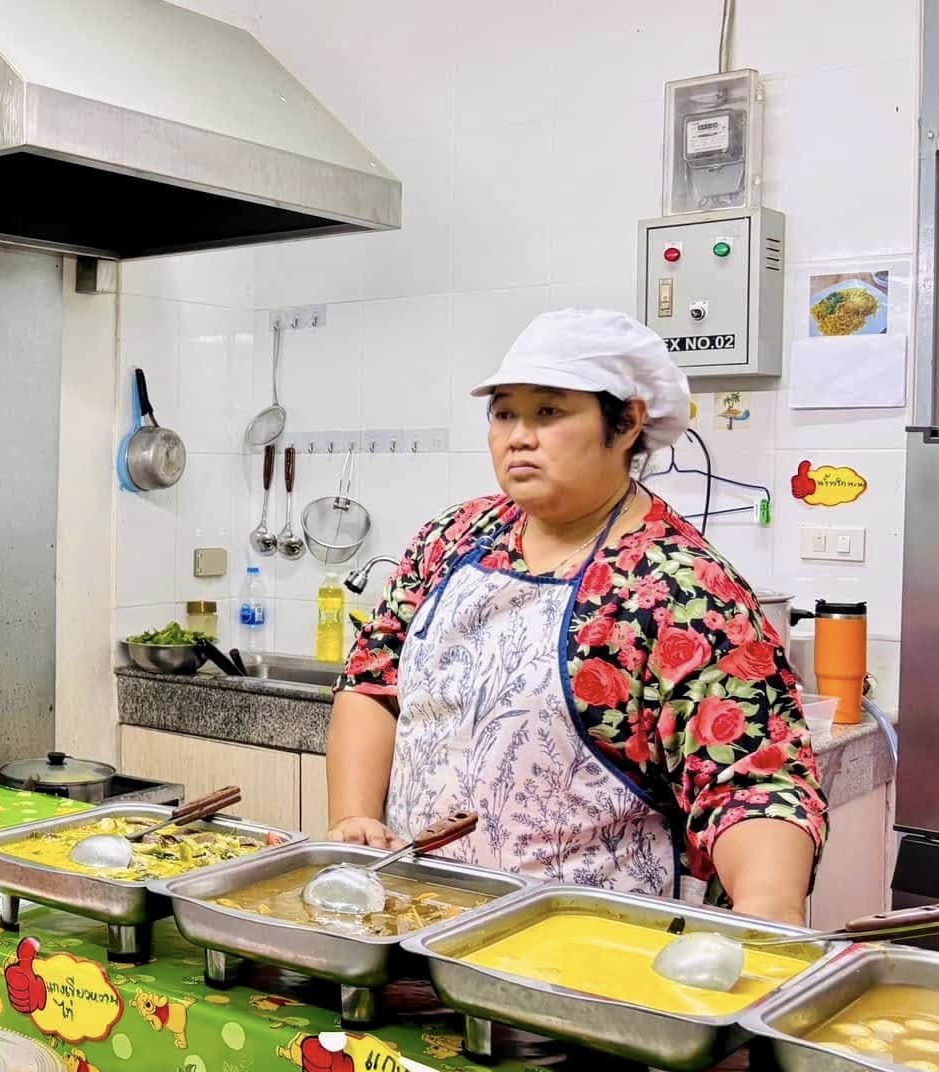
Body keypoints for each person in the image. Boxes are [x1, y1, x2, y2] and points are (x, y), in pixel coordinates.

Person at [329, 308, 824, 924]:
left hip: (590, 949)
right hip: (413, 917)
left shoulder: (680, 589)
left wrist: (767, 915)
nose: (518, 437)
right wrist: (355, 819)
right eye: (504, 413)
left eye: (549, 412)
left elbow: (754, 784)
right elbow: (374, 679)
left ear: (626, 423)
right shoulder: (452, 539)